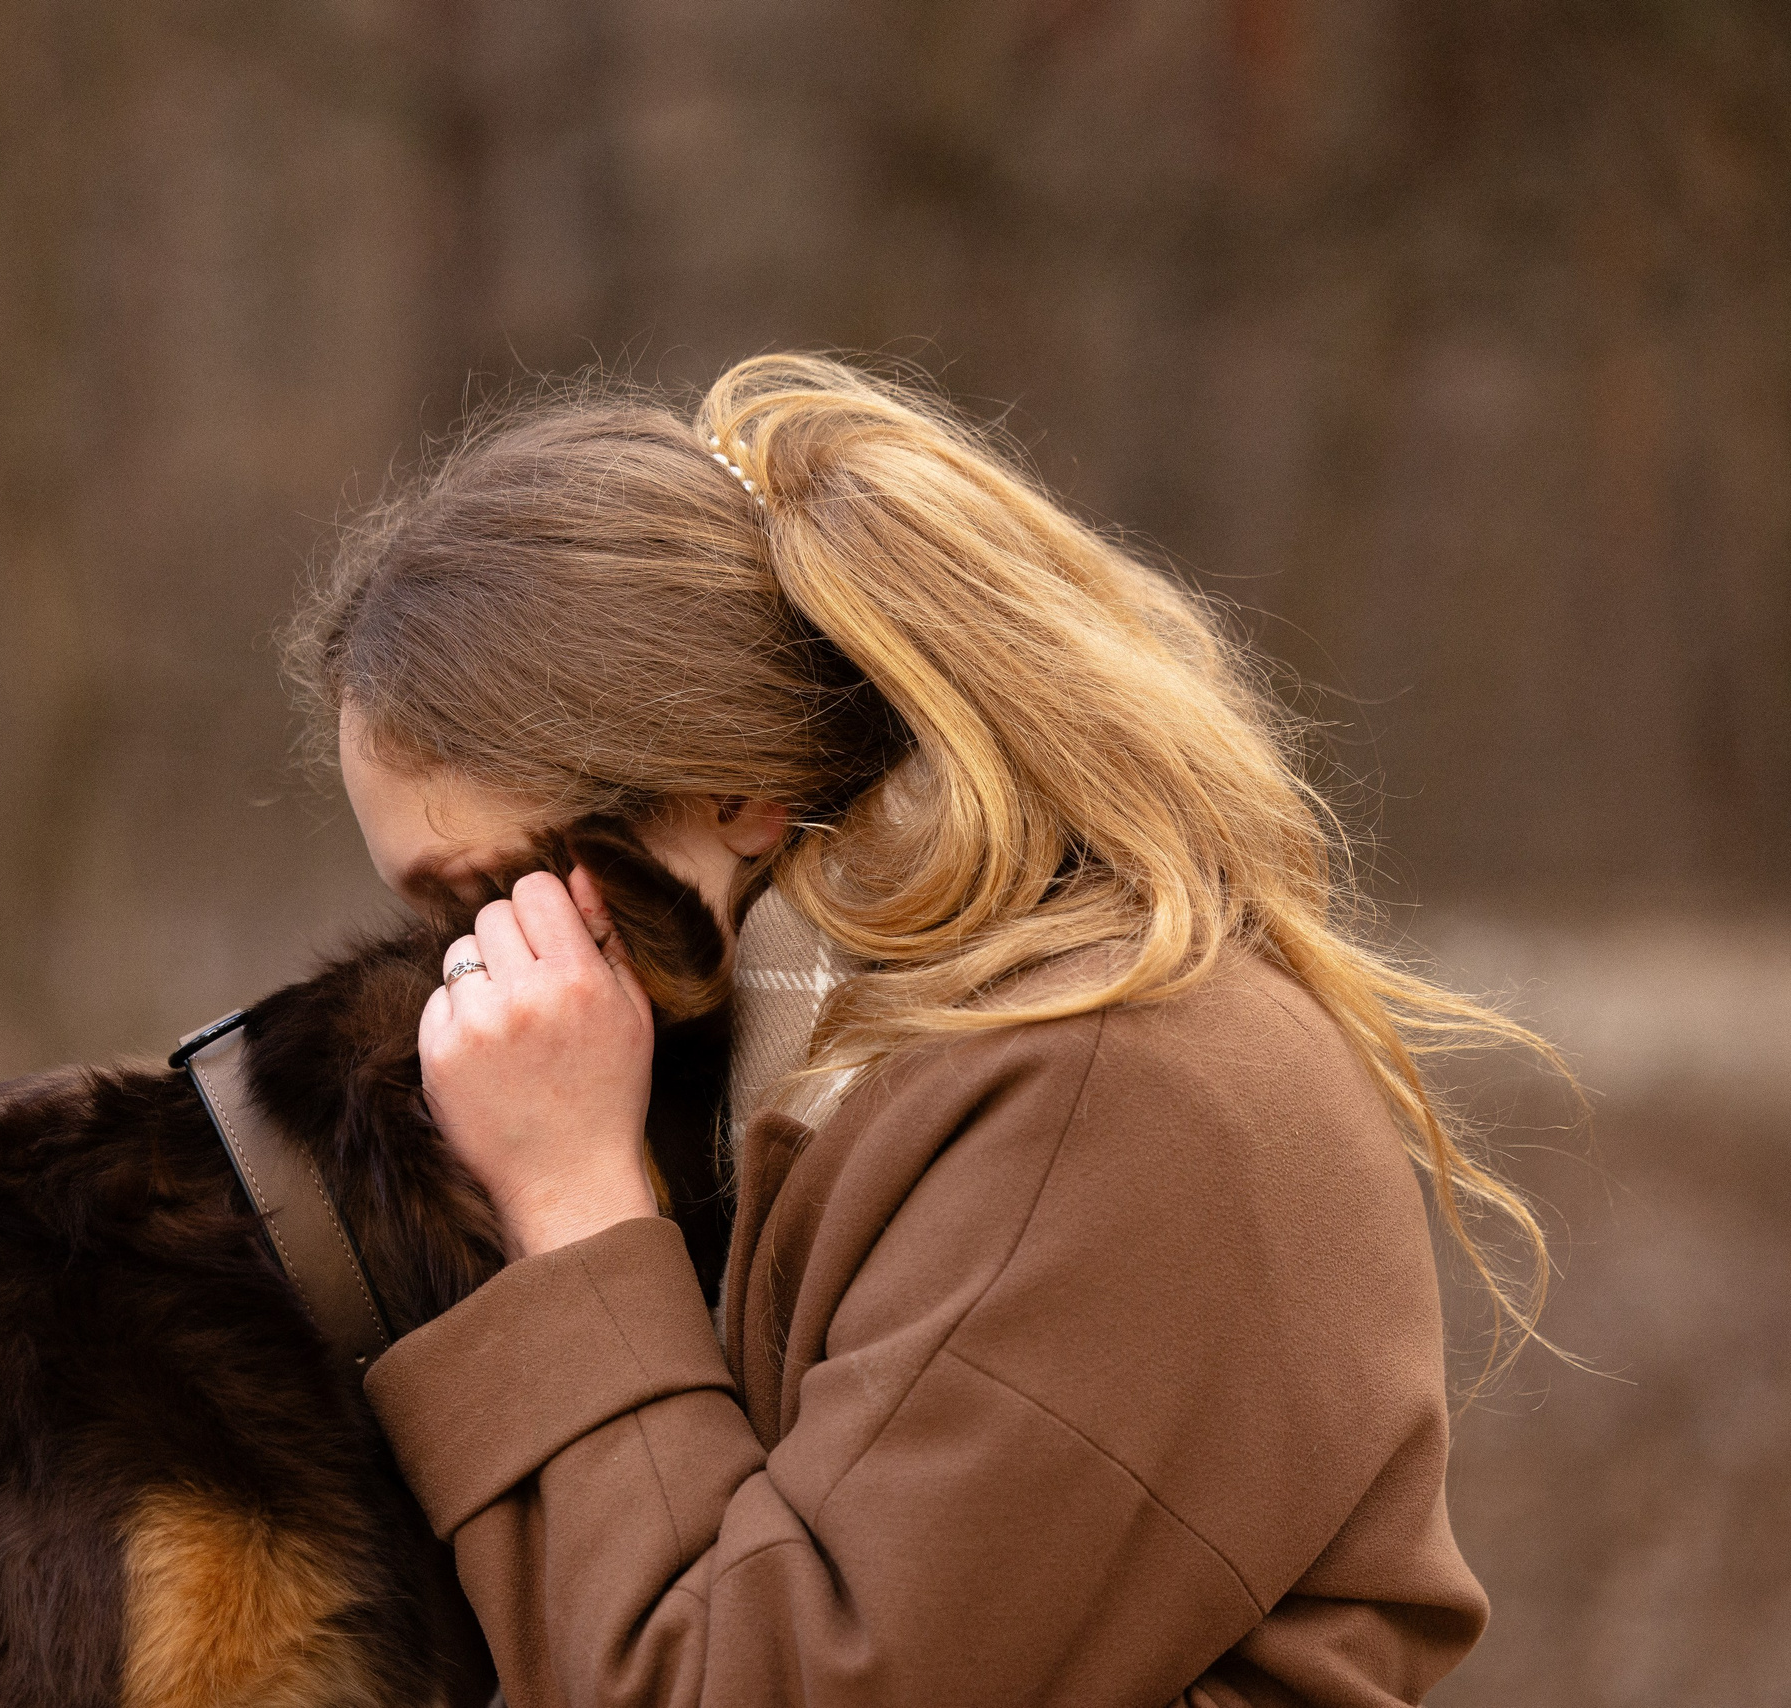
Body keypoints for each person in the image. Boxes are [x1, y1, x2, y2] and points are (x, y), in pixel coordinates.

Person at [285, 355, 1550, 1707]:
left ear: (735, 800)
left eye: (493, 890)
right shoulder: (907, 1070)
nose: (476, 974)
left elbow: (740, 1685)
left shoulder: (1102, 1101)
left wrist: (575, 1207)